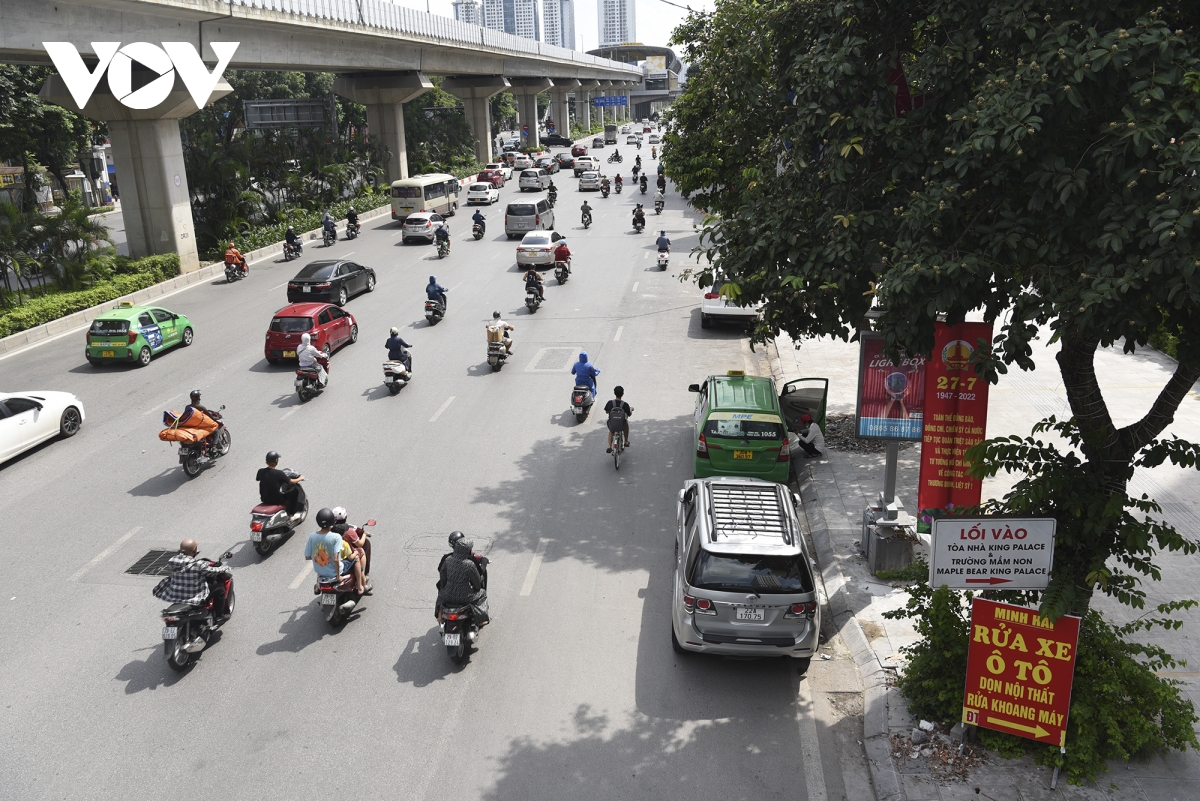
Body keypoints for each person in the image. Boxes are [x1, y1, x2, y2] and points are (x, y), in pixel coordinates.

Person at [152, 539, 232, 622]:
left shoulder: (173, 561)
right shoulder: (197, 565)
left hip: (177, 593)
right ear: (194, 551)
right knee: (220, 589)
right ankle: (220, 616)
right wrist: (224, 568)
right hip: (193, 595)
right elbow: (212, 572)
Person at [436, 535, 489, 625]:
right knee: (482, 593)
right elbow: (477, 584)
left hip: (447, 595)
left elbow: (442, 578)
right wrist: (477, 589)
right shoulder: (469, 564)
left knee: (440, 595)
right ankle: (481, 619)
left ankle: (439, 616)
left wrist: (444, 589)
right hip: (466, 597)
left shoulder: (448, 560)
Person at [305, 508, 351, 586]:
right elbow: (336, 559)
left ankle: (317, 586)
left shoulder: (312, 536)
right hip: (335, 572)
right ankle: (361, 587)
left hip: (320, 572)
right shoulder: (336, 537)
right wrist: (338, 576)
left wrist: (321, 557)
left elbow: (307, 557)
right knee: (356, 560)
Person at [256, 451, 305, 518]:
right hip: (277, 500)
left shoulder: (260, 471)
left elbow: (258, 478)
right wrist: (300, 478)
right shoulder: (279, 473)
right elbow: (292, 482)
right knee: (295, 491)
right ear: (276, 461)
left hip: (264, 499)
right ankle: (291, 514)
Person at [604, 385, 633, 453]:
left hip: (612, 424)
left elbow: (606, 411)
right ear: (623, 394)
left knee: (611, 431)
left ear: (614, 393)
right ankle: (626, 441)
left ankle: (609, 446)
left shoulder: (610, 403)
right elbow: (629, 414)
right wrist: (631, 409)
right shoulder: (625, 405)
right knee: (626, 424)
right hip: (621, 425)